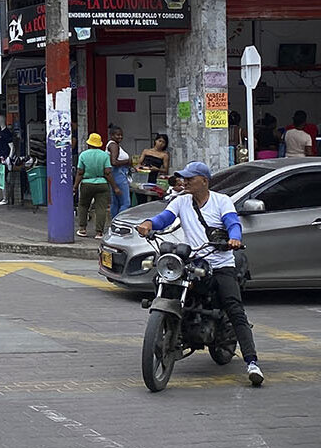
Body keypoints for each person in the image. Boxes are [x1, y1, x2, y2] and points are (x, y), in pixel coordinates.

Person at [135, 161, 264, 387]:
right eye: (183, 179)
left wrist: (234, 238)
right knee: (162, 278)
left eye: (189, 179)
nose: (184, 182)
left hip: (220, 262)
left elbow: (232, 222)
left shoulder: (221, 201)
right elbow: (164, 218)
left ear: (204, 181)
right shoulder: (181, 201)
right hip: (193, 260)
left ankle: (252, 363)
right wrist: (148, 223)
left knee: (234, 308)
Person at [74, 133, 115, 238]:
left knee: (83, 205)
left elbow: (80, 172)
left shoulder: (83, 155)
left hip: (87, 183)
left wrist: (75, 186)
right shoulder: (104, 155)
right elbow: (107, 172)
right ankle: (99, 232)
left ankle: (82, 229)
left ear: (89, 143)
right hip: (102, 184)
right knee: (101, 208)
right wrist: (115, 186)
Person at [106, 125, 133, 218]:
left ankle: (114, 221)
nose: (120, 137)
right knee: (126, 203)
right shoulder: (114, 146)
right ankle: (121, 221)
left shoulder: (112, 144)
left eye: (121, 135)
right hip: (119, 174)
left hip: (115, 175)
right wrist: (128, 161)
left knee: (116, 202)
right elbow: (114, 162)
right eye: (117, 135)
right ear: (112, 135)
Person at [0, 115, 15, 206]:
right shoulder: (0, 132)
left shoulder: (6, 133)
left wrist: (9, 158)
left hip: (4, 159)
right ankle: (3, 197)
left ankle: (5, 198)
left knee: (4, 179)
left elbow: (12, 147)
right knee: (0, 178)